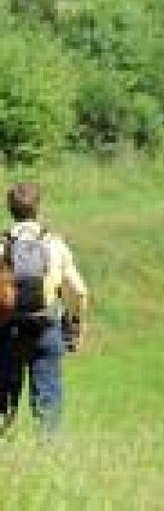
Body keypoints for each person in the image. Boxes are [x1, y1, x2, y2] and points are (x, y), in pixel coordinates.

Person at [0, 182, 88, 434]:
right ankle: (48, 452)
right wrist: (76, 327)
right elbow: (80, 291)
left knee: (3, 396)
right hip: (46, 327)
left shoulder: (2, 245)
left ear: (10, 209)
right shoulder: (55, 245)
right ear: (38, 208)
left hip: (8, 330)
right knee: (48, 397)